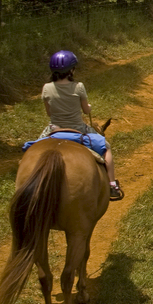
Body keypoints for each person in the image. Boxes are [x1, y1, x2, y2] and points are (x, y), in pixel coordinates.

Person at [41, 50, 123, 201]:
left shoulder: (46, 88)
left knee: (33, 149)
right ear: (71, 70)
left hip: (53, 129)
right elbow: (86, 110)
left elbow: (49, 113)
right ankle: (112, 185)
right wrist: (89, 107)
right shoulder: (78, 86)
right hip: (78, 129)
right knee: (106, 147)